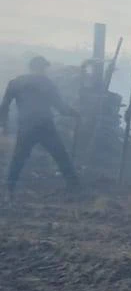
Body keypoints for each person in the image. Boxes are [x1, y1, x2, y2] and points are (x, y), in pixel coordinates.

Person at [1, 56, 81, 196]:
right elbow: (60, 107)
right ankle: (74, 187)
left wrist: (4, 125)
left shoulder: (16, 82)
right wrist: (75, 114)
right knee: (61, 155)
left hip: (26, 126)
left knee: (18, 158)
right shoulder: (46, 83)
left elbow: (4, 106)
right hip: (45, 126)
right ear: (41, 68)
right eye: (44, 68)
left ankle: (9, 189)